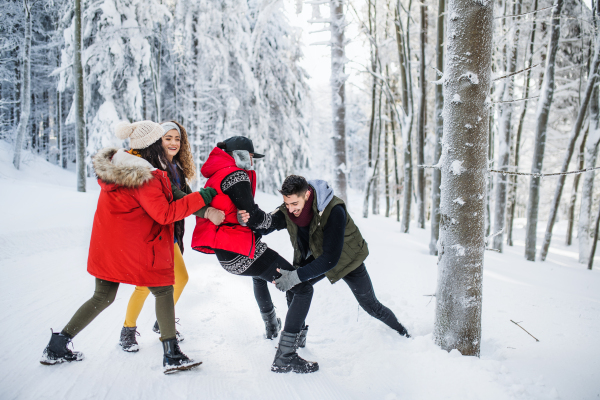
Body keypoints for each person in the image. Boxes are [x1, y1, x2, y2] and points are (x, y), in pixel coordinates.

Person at [40, 120, 217, 374]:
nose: (165, 146)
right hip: (136, 248)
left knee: (102, 296)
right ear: (151, 146)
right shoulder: (144, 176)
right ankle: (172, 354)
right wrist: (204, 197)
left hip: (109, 246)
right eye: (160, 142)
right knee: (164, 289)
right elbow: (165, 214)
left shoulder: (118, 166)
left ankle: (57, 345)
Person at [191, 137, 318, 374]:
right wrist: (277, 220)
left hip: (227, 254)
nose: (252, 161)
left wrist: (251, 221)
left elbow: (240, 213)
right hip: (240, 252)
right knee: (301, 287)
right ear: (239, 155)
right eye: (250, 157)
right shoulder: (235, 175)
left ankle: (272, 327)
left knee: (261, 275)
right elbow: (254, 216)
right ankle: (286, 354)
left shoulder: (217, 174)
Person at [240, 175, 410, 347]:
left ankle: (402, 332)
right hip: (318, 255)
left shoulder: (333, 210)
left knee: (371, 305)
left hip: (347, 259)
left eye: (294, 204)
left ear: (306, 195)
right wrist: (248, 221)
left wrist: (295, 276)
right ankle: (298, 338)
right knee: (295, 290)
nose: (290, 209)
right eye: (287, 203)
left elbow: (330, 259)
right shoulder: (289, 209)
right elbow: (268, 224)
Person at [119, 121, 225, 352]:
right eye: (168, 138)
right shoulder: (150, 167)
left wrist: (213, 206)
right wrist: (205, 208)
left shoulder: (175, 168)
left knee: (179, 278)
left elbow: (187, 198)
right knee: (145, 286)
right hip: (150, 234)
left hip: (170, 234)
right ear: (158, 140)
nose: (174, 143)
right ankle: (127, 330)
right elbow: (176, 200)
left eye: (177, 139)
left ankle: (162, 322)